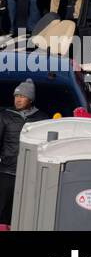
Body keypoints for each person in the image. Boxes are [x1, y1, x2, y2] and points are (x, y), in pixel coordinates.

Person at [0, 79, 47, 223]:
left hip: (30, 176)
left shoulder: (42, 119)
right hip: (6, 172)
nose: (18, 100)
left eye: (22, 96)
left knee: (23, 214)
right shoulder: (5, 116)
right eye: (16, 96)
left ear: (30, 99)